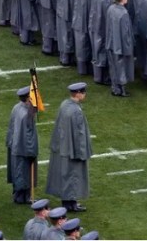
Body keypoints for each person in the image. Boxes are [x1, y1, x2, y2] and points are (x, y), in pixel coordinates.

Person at [46, 83, 91, 212]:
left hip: (62, 147)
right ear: (77, 93)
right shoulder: (76, 110)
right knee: (73, 176)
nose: (84, 94)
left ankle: (68, 202)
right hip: (72, 149)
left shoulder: (64, 104)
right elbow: (79, 134)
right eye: (83, 92)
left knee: (66, 175)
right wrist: (82, 152)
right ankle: (71, 203)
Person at [6, 86, 37, 205]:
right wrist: (31, 152)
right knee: (24, 173)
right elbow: (28, 136)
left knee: (18, 171)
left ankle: (20, 195)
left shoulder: (16, 108)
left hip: (15, 145)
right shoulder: (26, 114)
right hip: (23, 148)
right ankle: (24, 197)